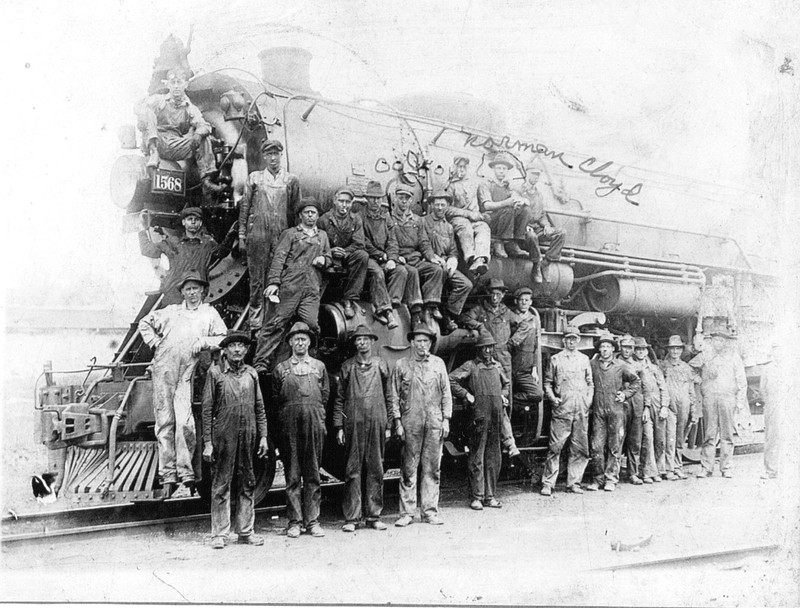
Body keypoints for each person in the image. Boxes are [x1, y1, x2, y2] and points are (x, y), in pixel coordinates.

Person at [138, 271, 228, 497]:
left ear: (202, 291)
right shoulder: (171, 311)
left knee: (185, 421)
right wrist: (155, 342)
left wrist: (204, 341)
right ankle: (168, 473)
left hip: (187, 370)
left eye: (196, 289)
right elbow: (145, 322)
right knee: (165, 421)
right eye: (188, 289)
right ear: (182, 292)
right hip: (163, 368)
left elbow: (223, 337)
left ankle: (186, 472)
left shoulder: (209, 313)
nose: (192, 293)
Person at [201, 331, 268, 549]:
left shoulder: (252, 374)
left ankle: (246, 531)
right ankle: (219, 534)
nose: (237, 349)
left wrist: (264, 436)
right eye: (233, 346)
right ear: (225, 350)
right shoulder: (216, 373)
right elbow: (207, 409)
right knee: (221, 484)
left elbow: (259, 407)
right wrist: (208, 442)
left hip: (248, 434)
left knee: (248, 482)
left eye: (241, 346)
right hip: (224, 435)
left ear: (247, 350)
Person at [253, 198, 331, 372]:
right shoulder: (290, 234)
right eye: (307, 212)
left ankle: (311, 364)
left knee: (311, 325)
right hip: (290, 286)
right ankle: (260, 363)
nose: (310, 216)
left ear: (318, 215)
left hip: (311, 288)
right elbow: (279, 258)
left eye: (314, 213)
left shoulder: (323, 236)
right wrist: (274, 282)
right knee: (275, 324)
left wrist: (324, 259)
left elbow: (329, 256)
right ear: (300, 215)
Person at [390, 324, 452, 526]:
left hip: (434, 422)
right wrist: (397, 422)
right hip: (410, 422)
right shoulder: (401, 365)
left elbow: (446, 393)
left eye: (426, 341)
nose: (422, 345)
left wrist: (446, 420)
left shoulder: (438, 364)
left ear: (431, 343)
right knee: (408, 468)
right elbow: (394, 395)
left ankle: (429, 512)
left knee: (432, 468)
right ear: (411, 342)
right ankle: (407, 513)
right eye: (418, 341)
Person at [272, 322, 330, 538]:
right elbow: (277, 398)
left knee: (313, 474)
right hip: (290, 427)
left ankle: (313, 521)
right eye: (296, 339)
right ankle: (294, 522)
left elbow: (324, 395)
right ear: (290, 342)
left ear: (308, 342)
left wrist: (315, 416)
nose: (300, 342)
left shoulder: (319, 367)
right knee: (293, 475)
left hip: (314, 424)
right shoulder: (281, 369)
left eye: (303, 339)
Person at [333, 325, 392, 532]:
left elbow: (390, 395)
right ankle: (352, 518)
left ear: (372, 341)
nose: (362, 343)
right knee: (352, 471)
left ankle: (374, 516)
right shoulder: (347, 366)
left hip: (377, 421)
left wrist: (389, 425)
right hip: (353, 424)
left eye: (365, 339)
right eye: (358, 340)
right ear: (355, 343)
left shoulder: (381, 365)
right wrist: (339, 426)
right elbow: (339, 399)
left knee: (376, 469)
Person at [238, 139, 302, 329]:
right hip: (257, 237)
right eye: (269, 154)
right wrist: (242, 236)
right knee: (257, 282)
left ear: (281, 155)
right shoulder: (254, 178)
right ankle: (256, 325)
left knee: (277, 280)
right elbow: (244, 208)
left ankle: (275, 323)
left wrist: (296, 239)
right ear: (264, 156)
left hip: (281, 238)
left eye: (276, 154)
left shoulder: (291, 180)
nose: (273, 158)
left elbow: (296, 210)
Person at [135, 68, 224, 200]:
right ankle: (153, 152)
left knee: (204, 138)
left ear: (185, 84)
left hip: (174, 144)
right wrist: (142, 112)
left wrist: (198, 135)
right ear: (168, 84)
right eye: (173, 82)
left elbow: (204, 125)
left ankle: (206, 179)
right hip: (156, 140)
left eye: (179, 82)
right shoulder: (157, 101)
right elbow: (139, 109)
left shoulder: (189, 107)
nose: (176, 86)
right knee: (148, 111)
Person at [449, 332, 509, 510]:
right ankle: (477, 497)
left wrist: (503, 396)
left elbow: (506, 384)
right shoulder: (471, 366)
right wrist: (467, 395)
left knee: (494, 457)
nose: (488, 350)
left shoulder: (497, 366)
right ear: (479, 349)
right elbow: (451, 379)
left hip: (496, 417)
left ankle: (490, 496)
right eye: (485, 347)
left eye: (491, 347)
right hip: (479, 418)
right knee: (477, 457)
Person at [463, 279, 520, 457]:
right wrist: (479, 325)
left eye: (499, 293)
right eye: (492, 293)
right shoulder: (481, 309)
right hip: (486, 358)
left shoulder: (507, 312)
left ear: (503, 295)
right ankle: (504, 442)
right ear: (489, 293)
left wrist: (513, 342)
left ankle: (505, 442)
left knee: (504, 401)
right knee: (488, 402)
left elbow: (523, 324)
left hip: (503, 359)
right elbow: (465, 317)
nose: (495, 297)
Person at [541, 326, 594, 496]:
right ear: (564, 340)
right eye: (568, 338)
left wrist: (588, 400)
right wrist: (553, 399)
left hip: (580, 409)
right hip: (562, 409)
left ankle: (574, 483)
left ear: (578, 340)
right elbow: (547, 383)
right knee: (555, 447)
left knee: (579, 447)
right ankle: (548, 483)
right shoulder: (555, 359)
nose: (571, 341)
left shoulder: (585, 359)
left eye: (574, 338)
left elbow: (590, 383)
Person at [138, 207, 228, 306]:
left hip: (195, 295)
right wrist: (143, 228)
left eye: (196, 219)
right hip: (173, 294)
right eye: (190, 219)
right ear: (183, 222)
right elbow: (147, 249)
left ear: (201, 223)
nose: (193, 222)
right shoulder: (173, 242)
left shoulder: (208, 243)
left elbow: (221, 253)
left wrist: (232, 234)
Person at [690, 330, 747, 478]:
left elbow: (742, 381)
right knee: (709, 434)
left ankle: (726, 467)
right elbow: (690, 369)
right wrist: (700, 379)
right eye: (715, 340)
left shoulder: (734, 357)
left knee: (727, 435)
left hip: (728, 399)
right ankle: (706, 467)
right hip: (710, 399)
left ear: (726, 342)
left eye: (721, 341)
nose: (718, 343)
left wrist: (740, 403)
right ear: (711, 341)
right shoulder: (705, 356)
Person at [588, 333, 641, 492]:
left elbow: (636, 381)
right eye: (602, 347)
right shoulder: (592, 365)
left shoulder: (620, 366)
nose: (604, 350)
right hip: (598, 411)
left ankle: (611, 479)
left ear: (612, 349)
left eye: (607, 347)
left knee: (614, 446)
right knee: (596, 446)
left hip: (616, 411)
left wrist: (625, 394)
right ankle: (597, 479)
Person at [360, 180, 414, 327]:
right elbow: (364, 242)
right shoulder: (360, 217)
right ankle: (386, 312)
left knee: (401, 270)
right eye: (372, 198)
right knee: (377, 273)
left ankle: (389, 305)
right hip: (369, 257)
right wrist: (381, 255)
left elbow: (393, 241)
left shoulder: (386, 216)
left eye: (378, 198)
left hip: (384, 256)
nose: (375, 201)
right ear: (367, 199)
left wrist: (391, 258)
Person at [420, 190, 474, 333]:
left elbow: (453, 250)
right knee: (439, 271)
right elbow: (423, 244)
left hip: (444, 263)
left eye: (442, 205)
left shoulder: (449, 227)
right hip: (428, 261)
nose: (439, 208)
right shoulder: (423, 221)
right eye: (436, 204)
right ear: (431, 205)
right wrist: (433, 257)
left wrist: (452, 260)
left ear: (447, 206)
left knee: (466, 284)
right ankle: (431, 309)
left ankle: (448, 315)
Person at [391, 185, 446, 323]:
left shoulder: (417, 220)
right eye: (401, 197)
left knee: (436, 269)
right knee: (412, 272)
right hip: (400, 259)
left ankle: (430, 306)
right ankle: (415, 312)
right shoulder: (389, 218)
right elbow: (389, 242)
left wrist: (432, 257)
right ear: (395, 198)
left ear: (411, 201)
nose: (404, 201)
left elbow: (424, 243)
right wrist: (396, 257)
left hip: (415, 258)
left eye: (407, 198)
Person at [317, 188, 370, 320]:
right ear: (335, 201)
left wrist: (345, 252)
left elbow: (359, 243)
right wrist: (331, 252)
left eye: (348, 202)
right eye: (341, 201)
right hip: (329, 257)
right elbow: (318, 243)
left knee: (363, 255)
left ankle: (349, 299)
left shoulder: (356, 219)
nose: (344, 205)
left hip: (347, 255)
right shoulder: (324, 219)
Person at [477, 151, 532, 259]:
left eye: (504, 169)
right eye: (499, 168)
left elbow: (515, 196)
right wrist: (507, 203)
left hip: (504, 219)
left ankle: (514, 242)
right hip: (490, 219)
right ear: (493, 169)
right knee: (508, 209)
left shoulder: (507, 185)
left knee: (526, 210)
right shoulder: (486, 184)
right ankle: (499, 243)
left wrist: (519, 201)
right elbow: (487, 206)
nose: (501, 171)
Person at [659, 335, 697, 480]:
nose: (675, 352)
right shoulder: (663, 366)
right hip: (670, 406)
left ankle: (678, 466)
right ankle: (669, 468)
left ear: (681, 350)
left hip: (684, 406)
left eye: (677, 349)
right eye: (672, 349)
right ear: (668, 350)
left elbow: (691, 390)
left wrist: (693, 410)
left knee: (680, 438)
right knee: (670, 437)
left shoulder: (686, 368)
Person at [445, 156, 491, 275]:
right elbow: (447, 209)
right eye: (459, 166)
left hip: (475, 220)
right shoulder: (451, 186)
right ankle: (470, 259)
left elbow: (484, 204)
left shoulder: (476, 183)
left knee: (483, 228)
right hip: (458, 220)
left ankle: (480, 259)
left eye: (464, 167)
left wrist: (483, 215)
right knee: (465, 226)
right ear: (455, 167)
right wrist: (468, 214)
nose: (461, 169)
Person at [519, 166, 566, 283]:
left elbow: (542, 214)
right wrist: (524, 225)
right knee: (531, 236)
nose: (535, 177)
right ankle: (536, 265)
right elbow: (514, 213)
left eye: (537, 175)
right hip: (521, 230)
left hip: (536, 228)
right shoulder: (518, 191)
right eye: (533, 174)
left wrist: (546, 226)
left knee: (561, 233)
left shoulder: (539, 194)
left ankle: (546, 263)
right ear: (526, 174)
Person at [633, 337, 669, 484]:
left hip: (658, 405)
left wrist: (665, 406)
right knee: (648, 438)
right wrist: (645, 408)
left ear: (647, 351)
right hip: (644, 407)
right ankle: (647, 472)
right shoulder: (634, 367)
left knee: (660, 439)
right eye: (638, 349)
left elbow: (663, 388)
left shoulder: (654, 368)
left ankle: (659, 470)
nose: (641, 352)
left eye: (643, 349)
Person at [508, 287, 544, 408]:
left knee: (537, 394)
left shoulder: (534, 319)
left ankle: (513, 401)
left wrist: (534, 369)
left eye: (527, 300)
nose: (524, 303)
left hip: (525, 370)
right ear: (516, 302)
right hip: (511, 367)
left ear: (531, 302)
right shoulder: (510, 316)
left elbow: (535, 346)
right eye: (521, 300)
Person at [617, 334, 645, 485]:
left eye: (630, 348)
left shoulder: (638, 365)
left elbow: (645, 387)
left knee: (635, 441)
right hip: (621, 405)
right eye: (624, 347)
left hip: (637, 405)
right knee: (618, 439)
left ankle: (632, 473)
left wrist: (646, 407)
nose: (627, 350)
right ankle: (614, 473)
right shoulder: (615, 363)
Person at [760, 340, 781, 480]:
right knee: (771, 438)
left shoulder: (793, 368)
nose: (779, 353)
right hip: (773, 406)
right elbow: (762, 390)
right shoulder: (767, 369)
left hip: (788, 407)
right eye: (776, 350)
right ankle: (770, 470)